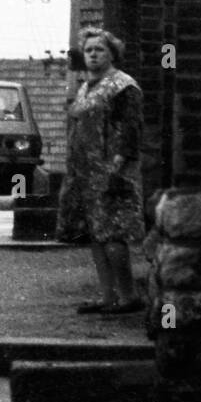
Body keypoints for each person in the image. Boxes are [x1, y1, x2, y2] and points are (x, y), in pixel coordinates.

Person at [57, 27, 146, 315]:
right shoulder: (85, 88)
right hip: (84, 172)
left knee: (113, 234)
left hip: (111, 169)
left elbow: (130, 130)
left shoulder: (123, 86)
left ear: (112, 53)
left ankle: (128, 295)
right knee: (96, 234)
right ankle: (107, 297)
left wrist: (118, 166)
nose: (93, 54)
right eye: (89, 50)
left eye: (100, 49)